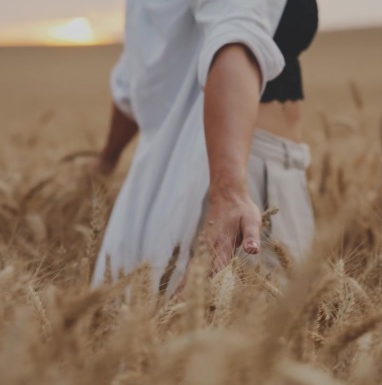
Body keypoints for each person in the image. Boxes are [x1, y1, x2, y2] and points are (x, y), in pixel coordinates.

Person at [92, 0, 318, 293]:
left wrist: (106, 161)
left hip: (167, 180)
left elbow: (133, 83)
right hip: (244, 173)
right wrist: (229, 192)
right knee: (262, 329)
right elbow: (235, 34)